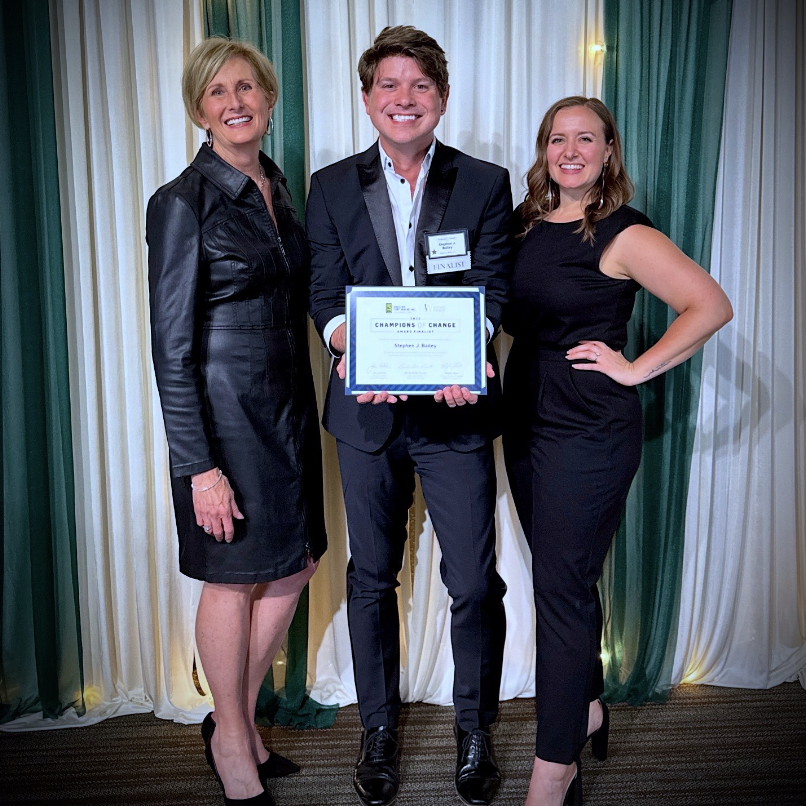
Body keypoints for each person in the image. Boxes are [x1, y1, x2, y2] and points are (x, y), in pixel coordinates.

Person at [502, 96, 733, 806]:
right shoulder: (523, 225)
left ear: (609, 151)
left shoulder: (624, 234)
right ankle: (590, 708)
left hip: (589, 427)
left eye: (585, 139)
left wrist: (635, 368)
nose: (569, 150)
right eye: (557, 139)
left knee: (560, 591)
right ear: (544, 150)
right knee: (561, 577)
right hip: (525, 417)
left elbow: (710, 304)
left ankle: (555, 768)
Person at [307, 25, 511, 806]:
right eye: (389, 85)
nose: (404, 99)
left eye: (420, 86)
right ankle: (379, 732)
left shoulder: (484, 183)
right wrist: (346, 346)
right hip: (367, 414)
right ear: (367, 100)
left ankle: (473, 732)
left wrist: (475, 351)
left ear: (442, 98)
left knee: (473, 584)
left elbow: (491, 284)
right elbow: (326, 295)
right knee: (370, 578)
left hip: (456, 417)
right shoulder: (330, 186)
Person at [146, 38, 326, 806]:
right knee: (233, 577)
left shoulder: (277, 187)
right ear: (198, 110)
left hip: (287, 409)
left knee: (295, 565)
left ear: (268, 97)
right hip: (224, 420)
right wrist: (199, 465)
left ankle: (233, 717)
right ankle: (232, 740)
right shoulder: (181, 202)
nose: (235, 101)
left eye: (246, 87)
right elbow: (171, 348)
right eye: (217, 92)